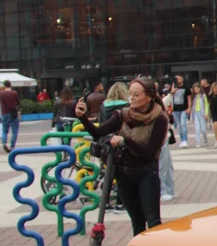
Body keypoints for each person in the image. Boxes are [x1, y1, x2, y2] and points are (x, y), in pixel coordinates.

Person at [75, 78, 168, 235]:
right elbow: (98, 133)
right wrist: (83, 117)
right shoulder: (122, 114)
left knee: (153, 222)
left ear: (150, 96)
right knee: (137, 222)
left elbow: (149, 153)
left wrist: (125, 141)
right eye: (130, 94)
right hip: (124, 173)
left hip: (146, 173)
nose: (132, 98)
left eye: (136, 94)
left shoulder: (159, 119)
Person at [159, 89, 176, 202]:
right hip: (160, 138)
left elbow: (164, 102)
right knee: (162, 167)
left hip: (164, 136)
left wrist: (171, 94)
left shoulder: (156, 103)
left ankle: (169, 190)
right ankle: (163, 191)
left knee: (168, 166)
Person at [0, 80, 21, 154]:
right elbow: (18, 102)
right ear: (10, 85)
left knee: (5, 130)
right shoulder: (14, 93)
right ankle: (12, 146)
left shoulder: (1, 93)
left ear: (4, 86)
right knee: (14, 130)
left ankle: (4, 144)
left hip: (4, 113)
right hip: (13, 112)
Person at [170, 77, 189, 148]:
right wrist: (172, 90)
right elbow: (170, 97)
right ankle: (182, 140)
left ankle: (185, 140)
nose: (178, 80)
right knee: (179, 126)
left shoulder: (186, 88)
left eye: (179, 78)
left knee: (183, 124)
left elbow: (189, 98)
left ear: (182, 79)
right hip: (175, 110)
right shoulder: (173, 87)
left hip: (184, 109)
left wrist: (189, 108)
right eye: (176, 79)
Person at [189, 83, 209, 147]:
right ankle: (198, 142)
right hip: (195, 113)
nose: (196, 90)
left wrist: (206, 113)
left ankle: (206, 140)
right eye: (195, 89)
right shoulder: (193, 97)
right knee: (197, 129)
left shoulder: (203, 96)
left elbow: (206, 105)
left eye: (197, 89)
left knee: (203, 129)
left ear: (200, 89)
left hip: (202, 113)